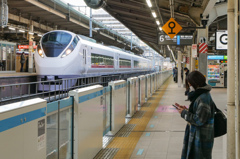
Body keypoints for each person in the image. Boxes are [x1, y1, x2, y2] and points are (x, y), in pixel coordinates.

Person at [175, 71, 215, 159]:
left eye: (190, 84)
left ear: (196, 83)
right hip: (197, 135)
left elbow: (199, 120)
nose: (189, 87)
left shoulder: (203, 98)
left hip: (201, 138)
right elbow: (200, 113)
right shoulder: (200, 95)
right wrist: (186, 110)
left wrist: (184, 113)